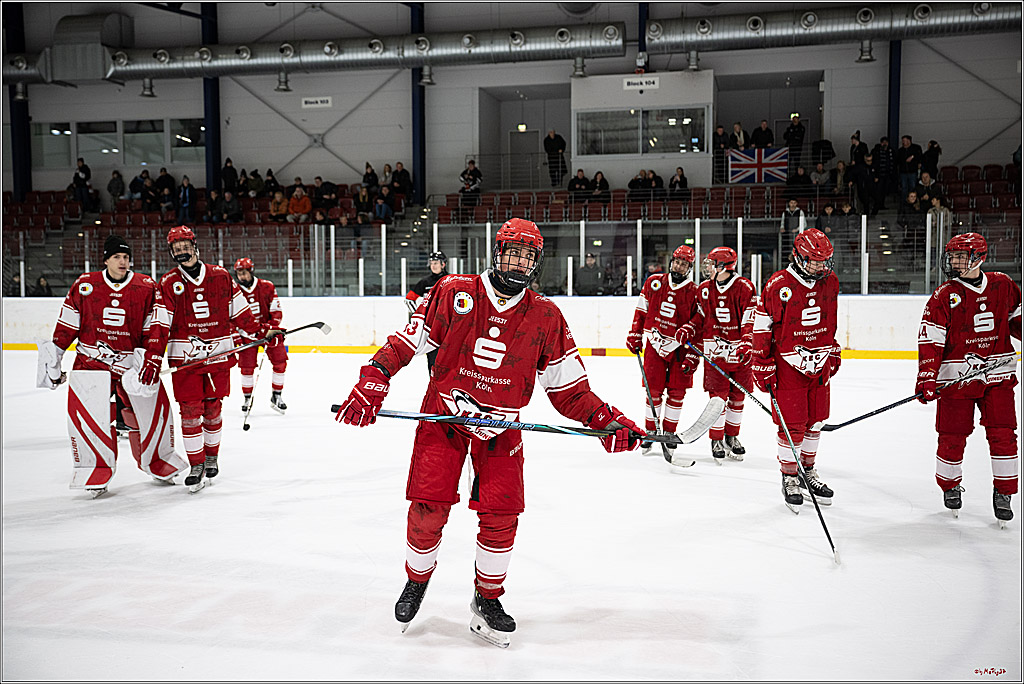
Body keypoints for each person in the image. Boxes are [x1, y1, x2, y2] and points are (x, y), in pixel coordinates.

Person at [335, 218, 642, 647]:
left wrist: (605, 420)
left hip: (502, 427)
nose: (518, 262)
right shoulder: (453, 291)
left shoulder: (546, 316)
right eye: (512, 252)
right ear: (496, 252)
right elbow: (405, 342)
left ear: (536, 263)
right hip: (443, 417)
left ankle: (487, 597)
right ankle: (416, 580)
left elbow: (570, 389)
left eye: (527, 255)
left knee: (502, 515)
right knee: (427, 507)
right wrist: (374, 377)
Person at [38, 234, 187, 497]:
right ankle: (93, 468)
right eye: (117, 257)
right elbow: (67, 324)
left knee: (155, 410)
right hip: (91, 363)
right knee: (89, 418)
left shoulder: (145, 286)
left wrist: (152, 358)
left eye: (126, 257)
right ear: (105, 259)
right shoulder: (86, 285)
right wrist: (56, 355)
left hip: (132, 364)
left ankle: (158, 459)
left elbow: (157, 325)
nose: (123, 262)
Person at [143, 226, 283, 492]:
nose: (181, 251)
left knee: (213, 408)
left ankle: (211, 457)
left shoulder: (220, 276)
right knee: (190, 411)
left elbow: (242, 316)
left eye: (185, 246)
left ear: (195, 246)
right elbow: (160, 323)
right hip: (185, 359)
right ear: (172, 252)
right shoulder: (168, 282)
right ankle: (196, 464)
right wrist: (153, 357)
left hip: (218, 355)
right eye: (176, 248)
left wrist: (264, 332)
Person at [917, 232, 1020, 523]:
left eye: (961, 256)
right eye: (952, 256)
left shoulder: (1003, 285)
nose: (954, 262)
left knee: (1003, 434)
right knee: (952, 435)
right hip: (956, 379)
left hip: (997, 377)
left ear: (979, 258)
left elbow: (1018, 321)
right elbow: (930, 340)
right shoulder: (943, 295)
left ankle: (1004, 491)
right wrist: (927, 378)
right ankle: (950, 485)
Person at [750, 228, 840, 510]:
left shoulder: (831, 281)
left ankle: (808, 470)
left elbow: (830, 319)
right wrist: (762, 363)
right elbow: (762, 328)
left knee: (815, 421)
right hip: (788, 364)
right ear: (799, 257)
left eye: (824, 260)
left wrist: (833, 348)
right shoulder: (778, 284)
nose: (820, 266)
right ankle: (789, 475)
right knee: (792, 424)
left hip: (820, 362)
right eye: (814, 260)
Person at [675, 246, 756, 462]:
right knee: (717, 397)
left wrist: (747, 343)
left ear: (723, 267)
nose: (707, 267)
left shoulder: (745, 288)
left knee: (737, 397)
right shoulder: (704, 289)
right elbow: (700, 318)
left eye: (711, 263)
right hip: (714, 351)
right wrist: (688, 329)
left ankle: (732, 436)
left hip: (739, 352)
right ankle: (716, 438)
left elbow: (750, 320)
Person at [626, 244, 701, 455]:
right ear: (671, 262)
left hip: (680, 349)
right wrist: (635, 333)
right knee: (653, 392)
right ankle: (651, 431)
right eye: (677, 262)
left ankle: (668, 433)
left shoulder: (694, 292)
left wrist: (690, 328)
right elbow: (641, 310)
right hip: (655, 344)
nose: (678, 266)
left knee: (677, 393)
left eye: (684, 264)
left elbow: (700, 320)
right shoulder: (654, 282)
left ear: (689, 268)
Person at [234, 257, 289, 414]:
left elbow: (277, 311)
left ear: (251, 271)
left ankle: (276, 397)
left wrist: (271, 328)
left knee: (280, 362)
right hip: (246, 335)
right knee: (246, 368)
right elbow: (230, 316)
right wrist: (236, 334)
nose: (241, 277)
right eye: (239, 274)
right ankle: (247, 398)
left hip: (269, 333)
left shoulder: (267, 286)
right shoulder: (234, 291)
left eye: (244, 273)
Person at [403, 250, 449, 370]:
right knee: (433, 360)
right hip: (432, 327)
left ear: (443, 264)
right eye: (431, 263)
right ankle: (434, 385)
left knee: (449, 358)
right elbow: (409, 300)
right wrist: (420, 316)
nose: (433, 266)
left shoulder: (451, 280)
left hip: (448, 326)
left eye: (436, 263)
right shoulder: (425, 282)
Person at [896, 135, 924, 202]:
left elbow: (920, 157)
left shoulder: (916, 148)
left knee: (913, 187)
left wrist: (912, 157)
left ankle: (914, 202)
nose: (903, 142)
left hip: (912, 171)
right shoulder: (900, 151)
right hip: (903, 172)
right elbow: (898, 161)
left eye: (904, 141)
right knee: (904, 188)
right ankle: (905, 202)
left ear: (909, 141)